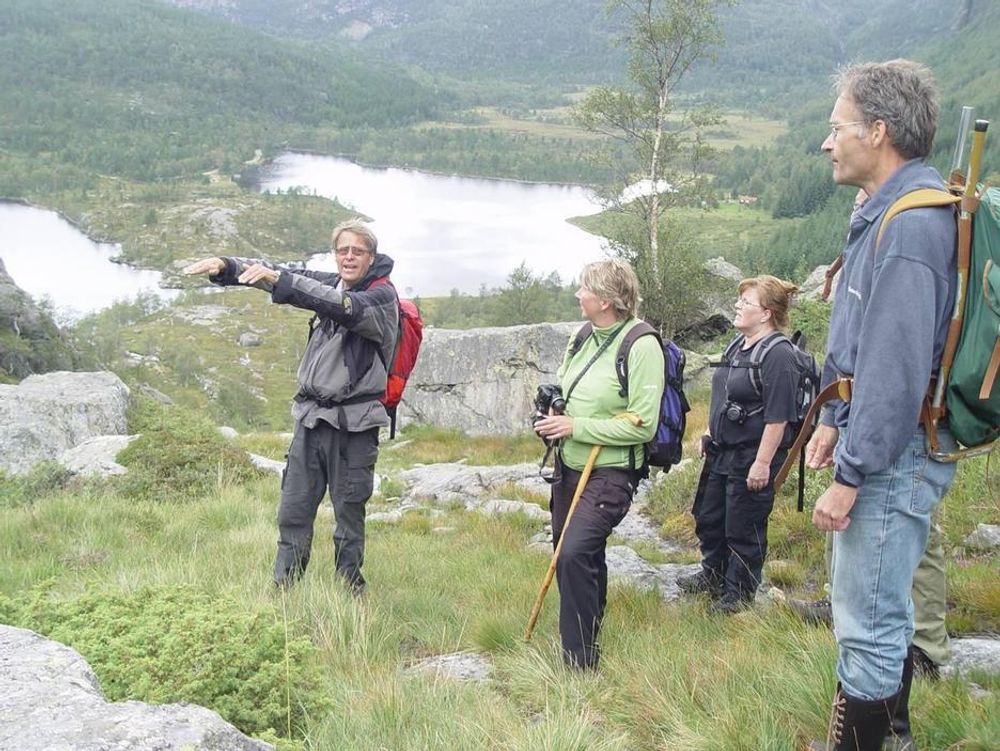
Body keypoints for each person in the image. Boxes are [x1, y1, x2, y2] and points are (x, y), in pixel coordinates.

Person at [805, 60, 958, 751]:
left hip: (892, 459)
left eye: (838, 128)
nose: (827, 142)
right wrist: (833, 423)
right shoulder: (884, 211)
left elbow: (895, 373)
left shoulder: (913, 225)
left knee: (866, 627)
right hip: (876, 445)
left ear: (879, 130)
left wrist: (851, 473)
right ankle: (892, 738)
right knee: (879, 614)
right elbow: (857, 340)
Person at [183, 219, 399, 595]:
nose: (348, 257)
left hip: (354, 426)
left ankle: (350, 591)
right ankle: (285, 590)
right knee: (293, 510)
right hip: (311, 420)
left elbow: (340, 306)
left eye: (357, 251)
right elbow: (285, 273)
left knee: (349, 515)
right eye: (342, 250)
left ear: (372, 257)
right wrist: (227, 267)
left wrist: (280, 283)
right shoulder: (335, 281)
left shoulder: (381, 297)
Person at [533, 259, 664, 669]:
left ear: (605, 300)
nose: (578, 295)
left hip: (609, 473)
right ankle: (586, 634)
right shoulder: (583, 335)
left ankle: (578, 661)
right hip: (569, 467)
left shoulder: (642, 345)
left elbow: (643, 425)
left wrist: (575, 426)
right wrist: (553, 416)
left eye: (584, 289)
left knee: (573, 554)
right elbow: (570, 390)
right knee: (574, 554)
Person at [677, 275, 800, 613]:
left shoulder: (778, 355)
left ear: (766, 313)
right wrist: (708, 431)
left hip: (753, 455)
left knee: (743, 527)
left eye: (746, 302)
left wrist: (763, 463)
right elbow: (722, 392)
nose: (737, 306)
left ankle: (739, 595)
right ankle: (712, 575)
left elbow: (779, 417)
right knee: (710, 517)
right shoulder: (737, 344)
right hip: (722, 451)